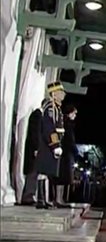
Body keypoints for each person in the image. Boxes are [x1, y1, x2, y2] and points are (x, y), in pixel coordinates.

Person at [35, 81, 66, 210]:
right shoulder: (50, 107)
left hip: (51, 144)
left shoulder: (56, 108)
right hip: (48, 144)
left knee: (47, 173)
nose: (62, 95)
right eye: (60, 92)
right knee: (43, 172)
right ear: (53, 94)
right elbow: (49, 127)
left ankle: (45, 199)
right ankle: (41, 200)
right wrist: (55, 144)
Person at [19, 108, 43, 206]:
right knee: (32, 172)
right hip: (34, 149)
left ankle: (30, 195)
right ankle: (27, 196)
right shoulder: (37, 115)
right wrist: (36, 148)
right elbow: (35, 133)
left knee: (35, 173)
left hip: (37, 149)